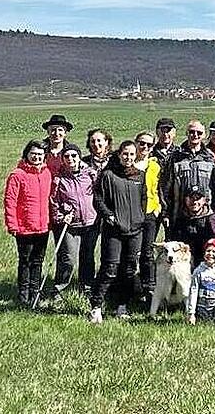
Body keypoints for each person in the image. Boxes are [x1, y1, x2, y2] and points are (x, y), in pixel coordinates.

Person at [89, 140, 147, 323]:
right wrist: (108, 215)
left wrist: (140, 217)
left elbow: (144, 198)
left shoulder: (140, 176)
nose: (128, 157)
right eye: (125, 154)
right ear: (119, 154)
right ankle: (96, 306)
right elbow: (98, 199)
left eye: (131, 154)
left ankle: (122, 305)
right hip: (114, 230)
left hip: (135, 230)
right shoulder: (108, 175)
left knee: (129, 269)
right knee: (109, 268)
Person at [4, 139, 52, 307]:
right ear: (27, 155)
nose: (37, 157)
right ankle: (23, 295)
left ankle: (35, 293)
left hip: (43, 226)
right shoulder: (18, 175)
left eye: (40, 155)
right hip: (24, 227)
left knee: (38, 261)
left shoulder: (47, 174)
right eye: (34, 154)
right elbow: (10, 201)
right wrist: (12, 225)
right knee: (25, 261)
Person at [48, 143, 98, 298]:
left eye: (74, 155)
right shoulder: (59, 178)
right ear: (62, 159)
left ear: (79, 157)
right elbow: (53, 201)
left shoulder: (90, 174)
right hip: (70, 225)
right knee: (68, 258)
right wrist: (61, 217)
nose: (71, 159)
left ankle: (87, 286)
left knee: (87, 257)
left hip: (90, 222)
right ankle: (60, 288)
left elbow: (99, 194)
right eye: (67, 156)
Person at [160, 119, 215, 230]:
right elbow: (166, 188)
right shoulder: (175, 157)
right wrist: (165, 213)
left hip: (205, 215)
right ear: (187, 133)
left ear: (204, 135)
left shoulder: (210, 158)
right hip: (180, 216)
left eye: (199, 133)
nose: (195, 135)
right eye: (192, 132)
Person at [134, 130, 163, 300]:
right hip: (132, 213)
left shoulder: (155, 166)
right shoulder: (129, 164)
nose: (144, 147)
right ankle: (131, 285)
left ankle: (149, 287)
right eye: (141, 143)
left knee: (147, 252)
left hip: (150, 212)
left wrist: (158, 206)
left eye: (148, 144)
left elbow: (158, 188)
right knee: (132, 252)